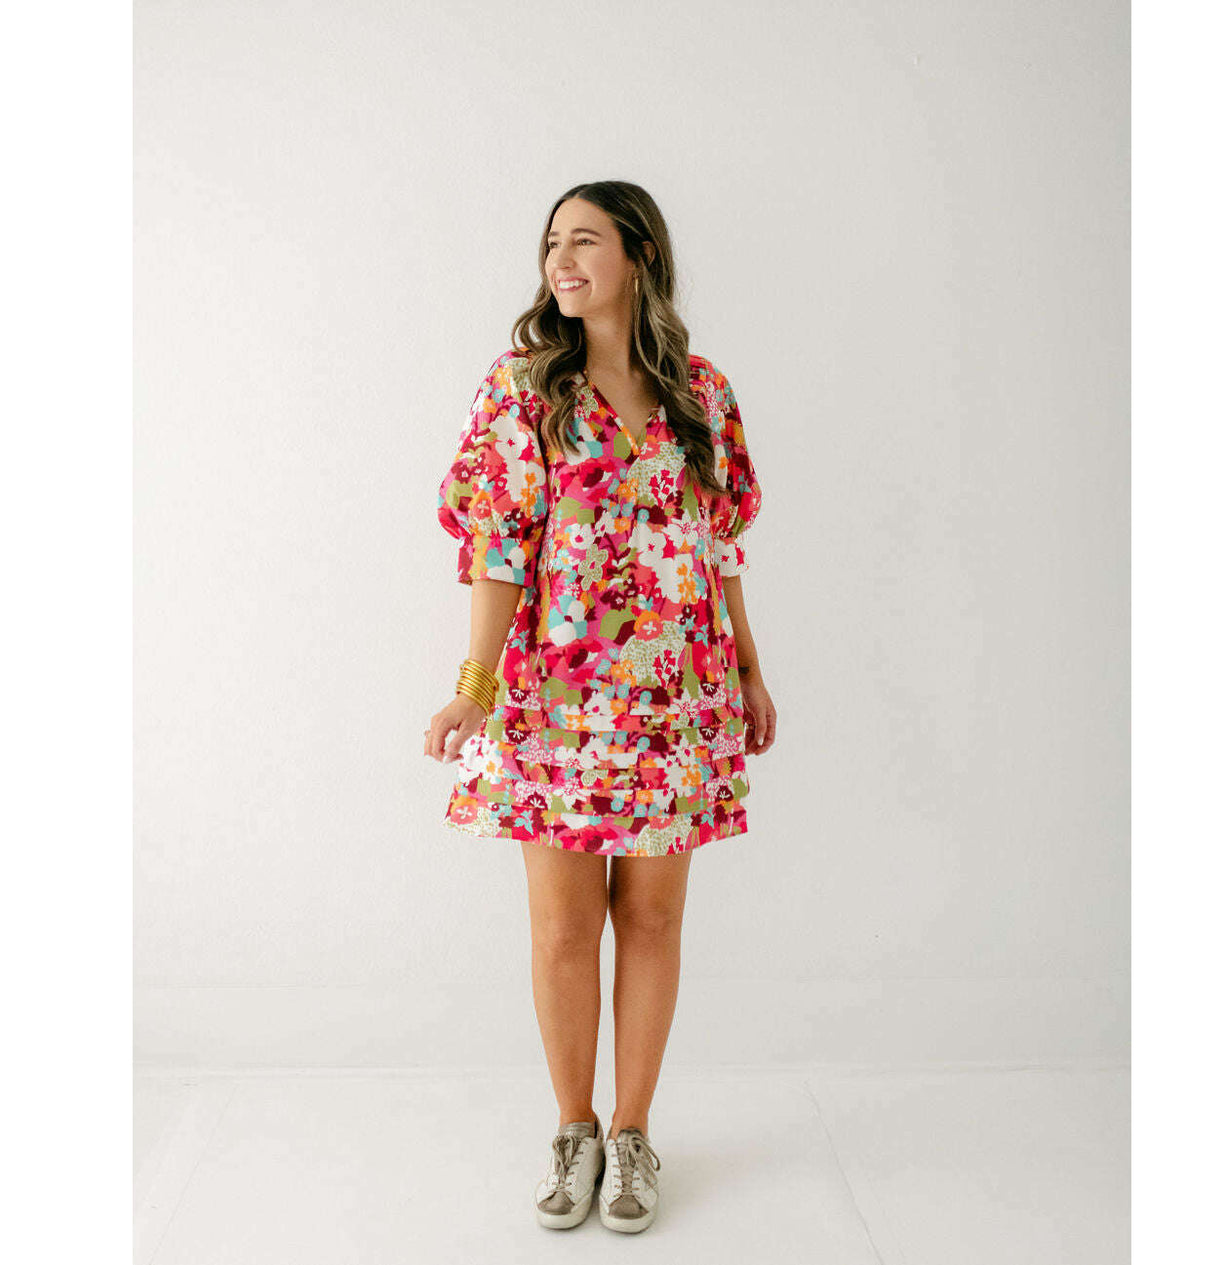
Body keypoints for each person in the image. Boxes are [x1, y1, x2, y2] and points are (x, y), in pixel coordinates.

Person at [424, 181, 777, 1233]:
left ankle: (632, 1133)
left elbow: (718, 545)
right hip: (557, 702)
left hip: (678, 698)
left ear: (639, 256)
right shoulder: (525, 389)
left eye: (583, 240)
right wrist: (473, 687)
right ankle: (573, 1129)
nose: (560, 261)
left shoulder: (700, 396)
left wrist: (748, 669)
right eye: (550, 244)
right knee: (563, 928)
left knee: (653, 920)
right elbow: (496, 548)